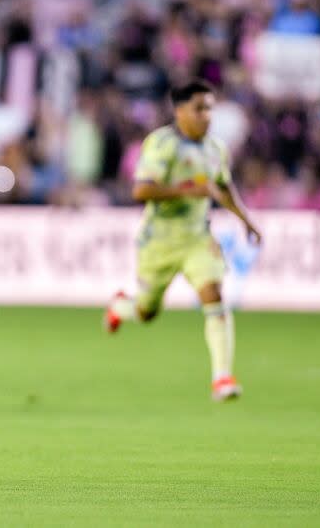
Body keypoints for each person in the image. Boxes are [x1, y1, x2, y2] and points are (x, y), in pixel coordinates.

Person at [104, 79, 261, 402]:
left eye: (209, 109)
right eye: (199, 108)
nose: (206, 116)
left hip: (196, 239)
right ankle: (121, 306)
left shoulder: (215, 149)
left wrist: (246, 220)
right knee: (147, 312)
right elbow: (141, 190)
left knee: (214, 294)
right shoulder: (162, 145)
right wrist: (189, 190)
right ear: (179, 111)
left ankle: (222, 378)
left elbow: (224, 187)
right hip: (158, 241)